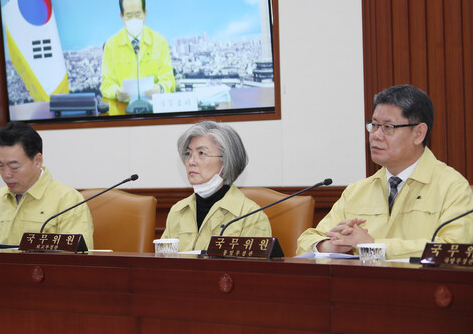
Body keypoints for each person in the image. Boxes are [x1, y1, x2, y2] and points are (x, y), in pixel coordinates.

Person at [297, 85, 473, 260]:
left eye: (388, 127)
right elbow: (305, 242)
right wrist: (331, 245)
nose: (376, 135)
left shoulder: (452, 187)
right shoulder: (357, 191)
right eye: (374, 125)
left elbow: (454, 250)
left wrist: (375, 246)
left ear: (419, 133)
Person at [0, 122, 94, 248]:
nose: (6, 174)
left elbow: (79, 257)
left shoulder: (68, 200)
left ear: (37, 161)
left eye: (14, 167)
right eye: (0, 165)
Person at [161, 121, 271, 252]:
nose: (191, 162)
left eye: (202, 153)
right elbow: (162, 263)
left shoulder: (251, 216)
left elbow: (253, 271)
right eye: (188, 154)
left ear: (227, 160)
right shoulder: (177, 212)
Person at [100, 0, 176, 103]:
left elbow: (169, 79)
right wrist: (116, 92)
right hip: (123, 111)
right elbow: (106, 83)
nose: (134, 19)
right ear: (122, 16)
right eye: (129, 16)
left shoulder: (160, 41)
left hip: (154, 109)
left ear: (145, 13)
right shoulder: (111, 46)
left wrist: (160, 88)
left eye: (138, 14)